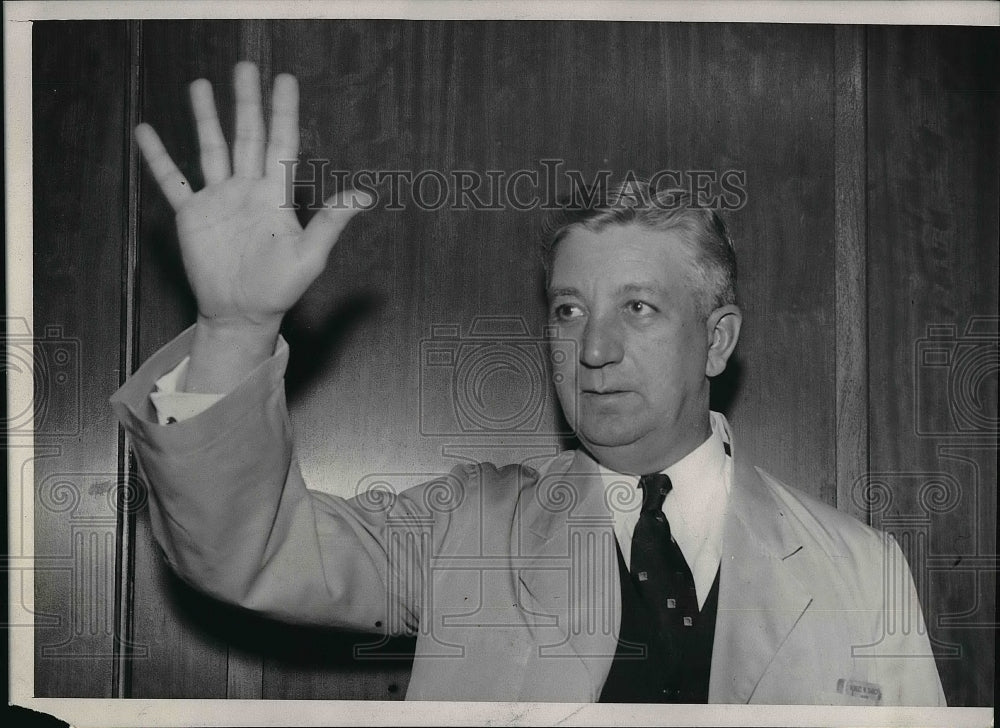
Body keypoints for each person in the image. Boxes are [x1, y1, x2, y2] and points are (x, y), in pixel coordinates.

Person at [111, 62, 946, 704]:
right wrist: (234, 329)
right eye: (569, 311)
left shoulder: (863, 571)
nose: (594, 350)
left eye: (641, 309)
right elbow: (247, 555)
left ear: (717, 340)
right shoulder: (462, 529)